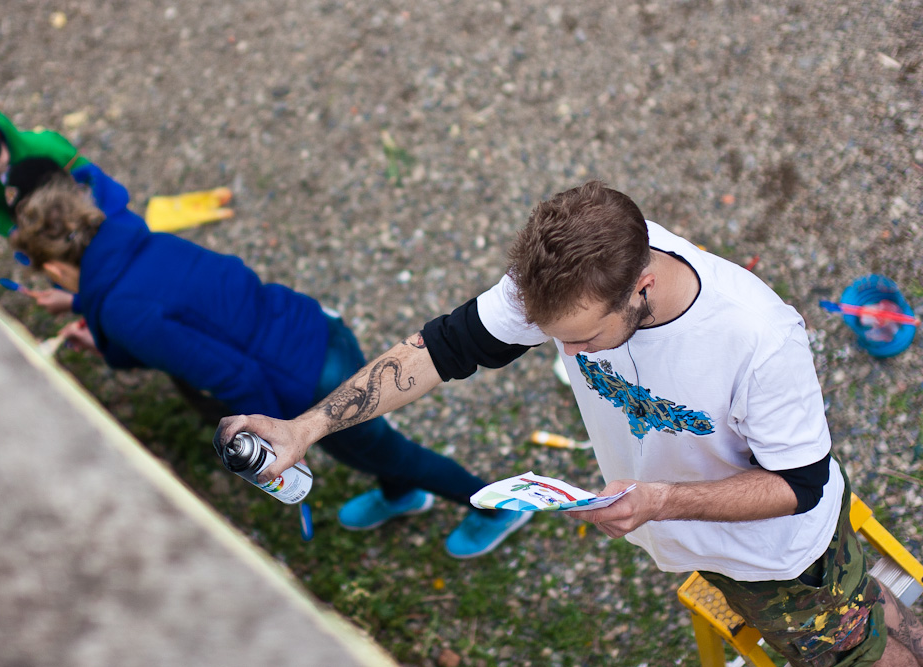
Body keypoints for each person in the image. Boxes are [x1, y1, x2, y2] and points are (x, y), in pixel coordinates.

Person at [217, 181, 923, 666]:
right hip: (711, 538)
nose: (571, 355)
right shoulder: (568, 279)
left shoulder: (760, 338)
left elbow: (799, 482)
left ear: (641, 288)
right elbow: (440, 349)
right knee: (859, 600)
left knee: (851, 647)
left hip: (778, 560)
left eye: (584, 340)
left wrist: (662, 502)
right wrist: (304, 428)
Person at [7, 157, 531, 559]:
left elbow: (229, 373)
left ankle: (495, 506)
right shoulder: (137, 241)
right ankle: (399, 494)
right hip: (315, 330)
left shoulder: (121, 311)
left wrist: (280, 439)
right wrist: (84, 303)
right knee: (373, 451)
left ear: (54, 268)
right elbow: (169, 306)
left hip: (307, 382)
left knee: (389, 450)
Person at [0, 96, 92, 315]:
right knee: (71, 275)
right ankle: (82, 300)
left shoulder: (46, 146)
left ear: (4, 134)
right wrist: (12, 232)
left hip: (79, 217)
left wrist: (91, 209)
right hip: (42, 237)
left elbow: (89, 176)